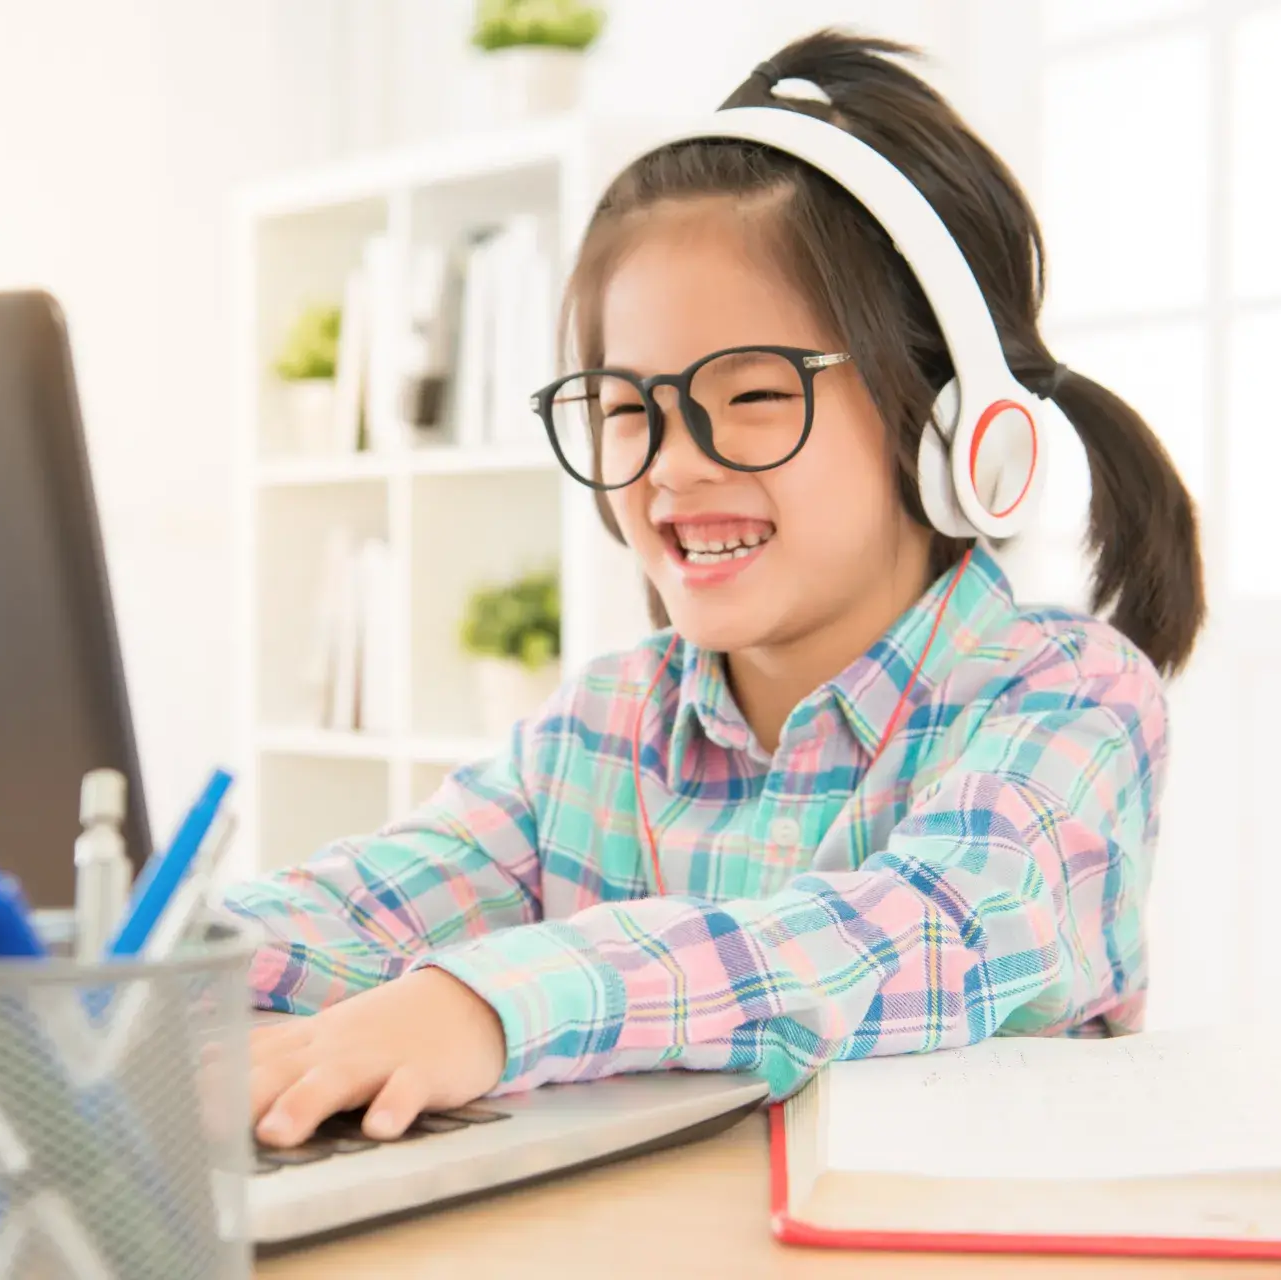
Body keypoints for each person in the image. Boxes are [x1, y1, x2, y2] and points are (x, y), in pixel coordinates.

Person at [227, 28, 1204, 1149]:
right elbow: (367, 908)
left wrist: (494, 1003)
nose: (671, 464)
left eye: (750, 398)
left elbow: (924, 930)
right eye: (630, 409)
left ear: (946, 422)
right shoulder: (602, 731)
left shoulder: (1068, 694)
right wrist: (124, 963)